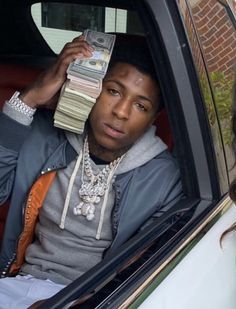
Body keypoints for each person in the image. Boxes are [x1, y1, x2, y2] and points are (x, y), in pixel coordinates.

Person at [0, 34, 183, 308]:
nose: (121, 112)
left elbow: (143, 270)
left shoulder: (162, 179)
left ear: (152, 118)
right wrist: (29, 98)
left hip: (96, 300)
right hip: (18, 283)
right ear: (92, 88)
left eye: (140, 105)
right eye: (113, 91)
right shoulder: (45, 136)